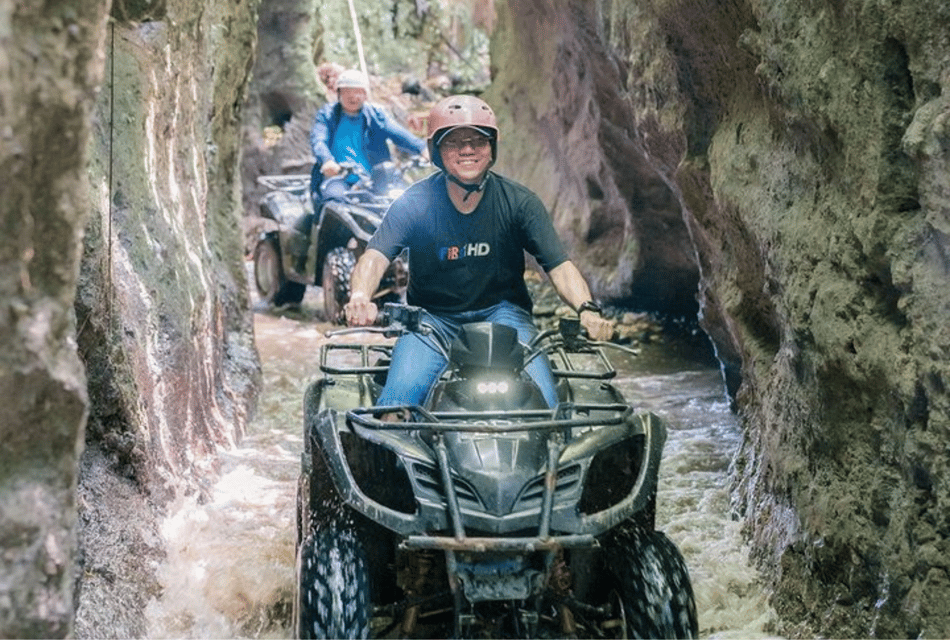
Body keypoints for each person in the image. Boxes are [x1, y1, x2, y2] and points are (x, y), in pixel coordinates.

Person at [344, 94, 615, 410]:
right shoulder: (414, 203)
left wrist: (587, 308)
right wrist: (360, 296)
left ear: (492, 148)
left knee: (548, 408)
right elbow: (375, 256)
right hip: (432, 321)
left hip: (503, 316)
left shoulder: (520, 203)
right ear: (436, 151)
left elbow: (559, 265)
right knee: (394, 408)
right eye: (454, 142)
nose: (468, 150)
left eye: (478, 141)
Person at [309, 69, 427, 205]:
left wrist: (423, 148)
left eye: (358, 91)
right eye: (347, 91)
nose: (353, 97)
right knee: (334, 203)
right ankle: (319, 225)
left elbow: (398, 133)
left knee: (408, 202)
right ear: (339, 93)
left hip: (375, 179)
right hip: (339, 179)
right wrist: (326, 160)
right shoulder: (327, 114)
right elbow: (318, 140)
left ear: (365, 94)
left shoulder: (376, 114)